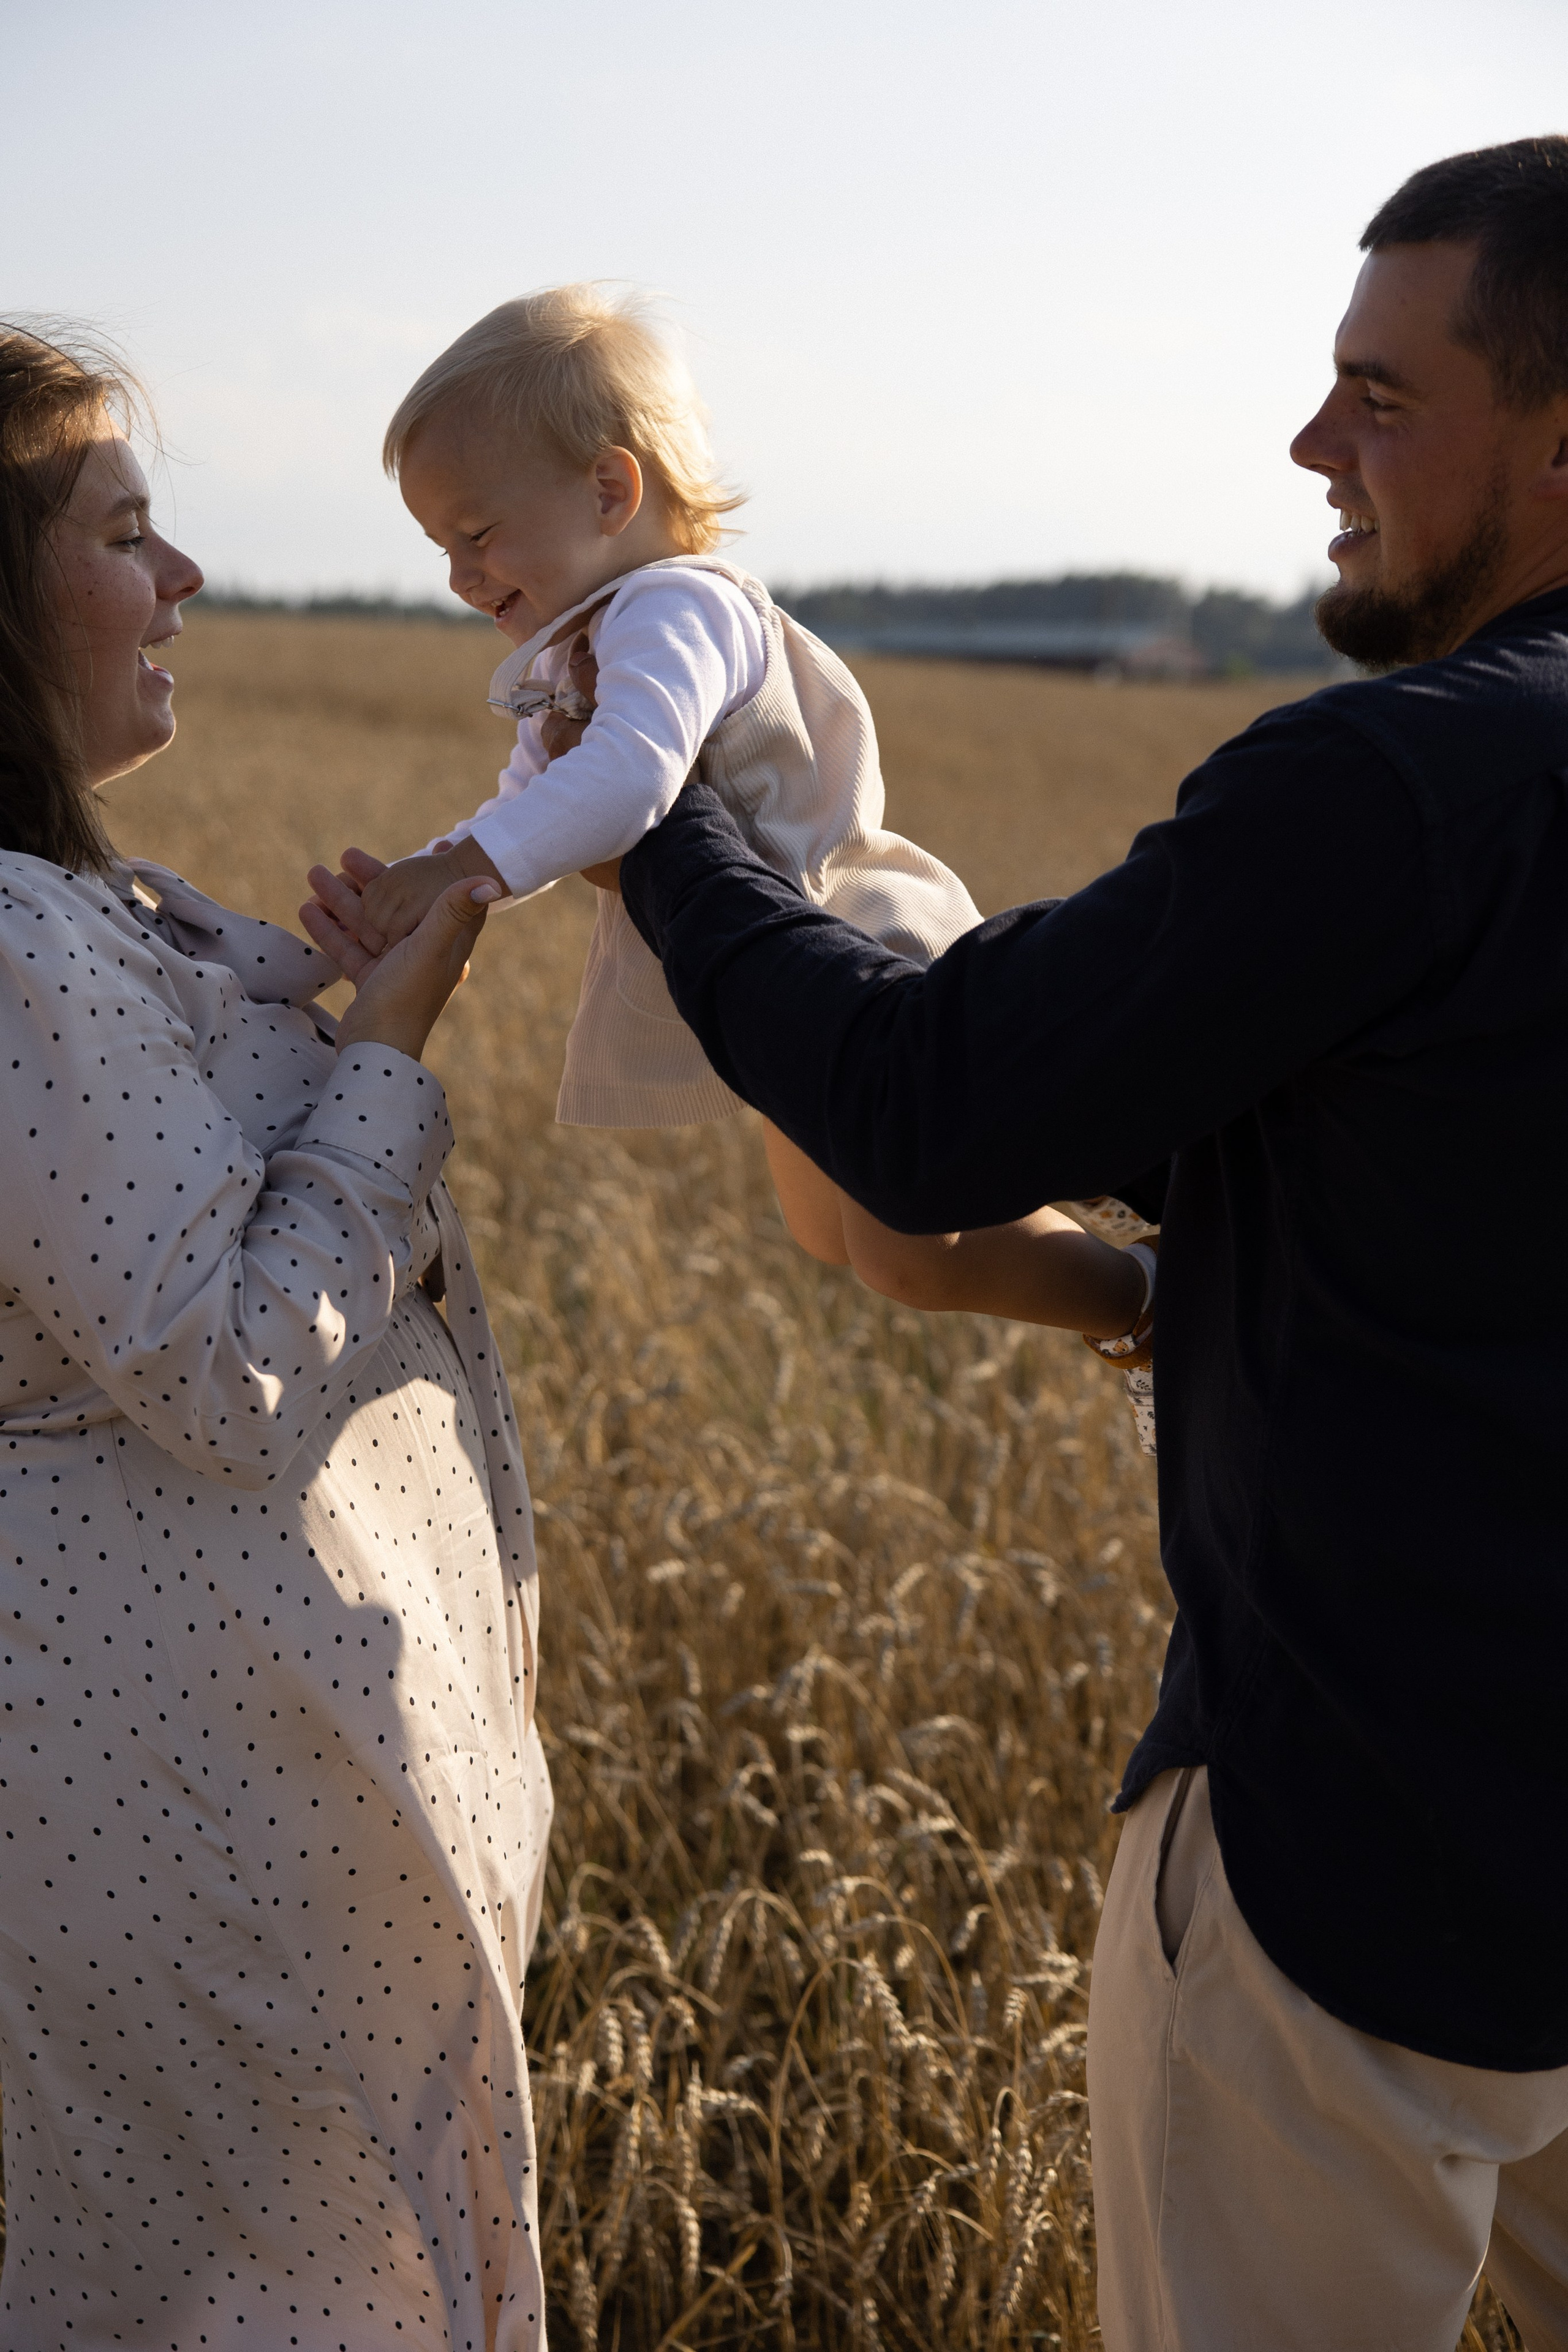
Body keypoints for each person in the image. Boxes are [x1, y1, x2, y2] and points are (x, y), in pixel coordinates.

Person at [597, 138, 1568, 2349]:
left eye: (1384, 398)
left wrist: (661, 833)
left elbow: (926, 1113)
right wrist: (1170, 1289)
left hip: (1357, 1884)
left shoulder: (1402, 793)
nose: (1313, 445)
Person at [0, 323, 551, 2352]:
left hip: (253, 1818)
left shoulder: (94, 910)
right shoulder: (7, 941)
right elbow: (227, 1370)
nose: (188, 579)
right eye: (127, 532)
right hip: (197, 1828)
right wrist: (389, 1041)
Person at [305, 287, 1162, 1365]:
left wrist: (468, 867)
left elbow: (629, 782)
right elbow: (534, 795)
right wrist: (433, 882)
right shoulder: (585, 643)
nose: (459, 575)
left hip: (851, 953)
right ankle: (1132, 1258)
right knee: (826, 1230)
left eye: (476, 534)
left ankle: (1157, 1308)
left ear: (613, 488)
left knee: (909, 1252)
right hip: (775, 979)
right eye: (441, 546)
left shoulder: (682, 608)